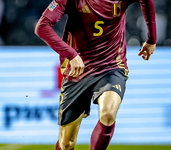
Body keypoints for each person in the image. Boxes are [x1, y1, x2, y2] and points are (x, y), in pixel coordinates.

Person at [35, 0, 156, 150]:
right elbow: (42, 27)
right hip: (78, 71)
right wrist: (71, 54)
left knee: (108, 114)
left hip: (111, 66)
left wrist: (151, 39)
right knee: (66, 144)